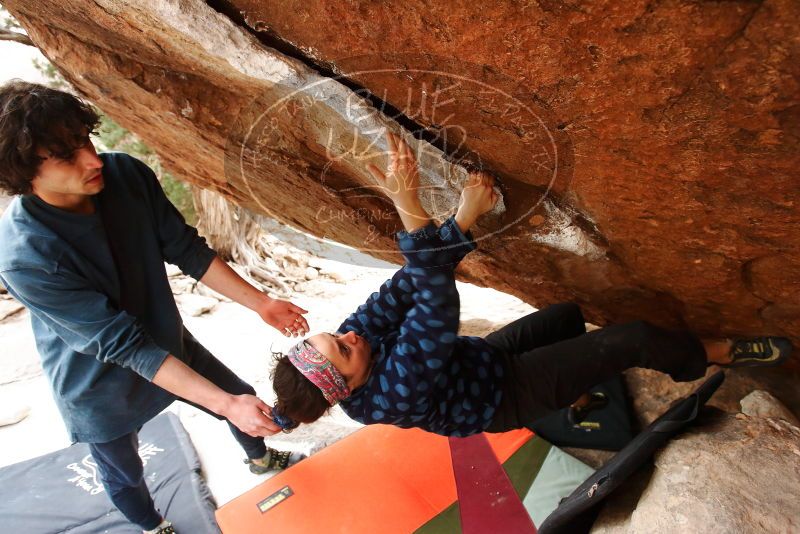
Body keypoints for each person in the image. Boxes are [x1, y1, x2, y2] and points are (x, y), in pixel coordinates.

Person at [269, 131, 793, 438]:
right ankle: (716, 352)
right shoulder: (387, 397)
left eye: (334, 334)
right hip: (504, 398)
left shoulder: (352, 343)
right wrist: (409, 205)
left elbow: (406, 287)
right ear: (348, 385)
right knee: (629, 339)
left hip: (481, 363)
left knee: (566, 315)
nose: (350, 335)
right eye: (342, 349)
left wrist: (460, 222)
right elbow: (434, 307)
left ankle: (582, 399)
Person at [0, 81, 305, 534]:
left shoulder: (124, 176)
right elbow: (123, 345)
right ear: (24, 175)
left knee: (240, 396)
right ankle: (151, 524)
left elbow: (185, 248)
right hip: (95, 378)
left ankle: (260, 459)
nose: (93, 160)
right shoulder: (26, 254)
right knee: (122, 468)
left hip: (164, 337)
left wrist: (261, 303)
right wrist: (223, 404)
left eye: (85, 139)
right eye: (66, 156)